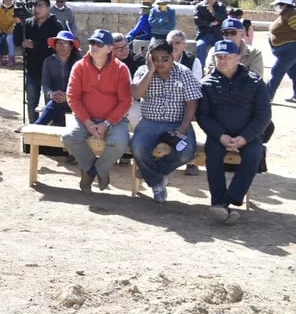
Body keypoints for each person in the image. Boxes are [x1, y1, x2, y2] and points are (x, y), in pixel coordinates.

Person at [198, 39, 271, 225]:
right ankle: (218, 202)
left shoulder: (255, 82)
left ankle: (229, 200)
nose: (222, 61)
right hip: (219, 135)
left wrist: (245, 137)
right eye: (219, 57)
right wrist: (220, 135)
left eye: (227, 57)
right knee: (212, 155)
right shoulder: (206, 84)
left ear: (238, 58)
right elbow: (203, 116)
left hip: (248, 134)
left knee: (255, 154)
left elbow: (264, 114)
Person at [130, 39, 203, 202]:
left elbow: (192, 101)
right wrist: (150, 72)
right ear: (149, 58)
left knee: (187, 152)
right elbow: (136, 94)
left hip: (177, 122)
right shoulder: (143, 71)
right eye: (155, 58)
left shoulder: (183, 72)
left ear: (172, 57)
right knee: (138, 147)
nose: (160, 63)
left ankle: (152, 173)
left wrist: (184, 127)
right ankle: (157, 184)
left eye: (164, 58)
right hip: (150, 121)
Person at [63, 29, 132, 192]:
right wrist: (87, 122)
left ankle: (93, 171)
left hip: (115, 121)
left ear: (109, 48)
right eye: (92, 42)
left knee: (120, 143)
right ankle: (98, 170)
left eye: (99, 44)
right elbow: (72, 97)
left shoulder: (121, 69)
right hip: (85, 119)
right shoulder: (79, 66)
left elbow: (125, 102)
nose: (94, 46)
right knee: (69, 138)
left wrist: (107, 123)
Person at [21, 0, 63, 122]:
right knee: (32, 101)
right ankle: (33, 129)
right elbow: (19, 40)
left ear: (48, 8)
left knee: (50, 102)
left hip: (50, 71)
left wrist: (35, 45)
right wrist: (18, 24)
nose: (36, 9)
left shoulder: (56, 26)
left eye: (40, 6)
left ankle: (48, 130)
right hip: (32, 68)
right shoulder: (28, 23)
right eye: (34, 6)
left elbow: (57, 47)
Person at [35, 30, 80, 126]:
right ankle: (36, 129)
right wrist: (52, 94)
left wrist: (68, 96)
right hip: (55, 100)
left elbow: (83, 86)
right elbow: (45, 84)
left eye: (64, 43)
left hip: (75, 100)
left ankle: (36, 126)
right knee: (56, 104)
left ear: (71, 46)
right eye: (59, 43)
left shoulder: (79, 63)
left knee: (56, 105)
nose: (61, 46)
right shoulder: (48, 62)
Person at [266, 0, 296, 101]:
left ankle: (266, 98)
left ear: (287, 5)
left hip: (290, 51)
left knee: (276, 72)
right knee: (294, 73)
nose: (278, 7)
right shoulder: (285, 15)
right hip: (287, 51)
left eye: (280, 5)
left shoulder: (291, 15)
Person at [193, 0, 228, 66]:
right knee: (200, 46)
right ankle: (201, 68)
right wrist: (210, 24)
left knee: (222, 49)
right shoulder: (199, 6)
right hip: (204, 34)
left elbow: (225, 19)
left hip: (218, 34)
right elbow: (197, 20)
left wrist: (213, 13)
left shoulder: (221, 6)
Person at [0, 0, 19, 66]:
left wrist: (10, 30)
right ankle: (0, 58)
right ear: (3, 1)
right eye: (6, 0)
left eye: (10, 0)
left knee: (9, 39)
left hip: (10, 30)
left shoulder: (15, 9)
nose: (8, 2)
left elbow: (15, 22)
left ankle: (11, 59)